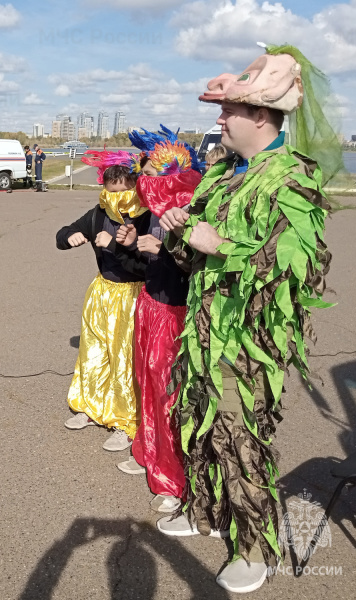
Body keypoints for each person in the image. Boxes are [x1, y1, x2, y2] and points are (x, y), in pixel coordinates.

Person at [156, 45, 339, 593]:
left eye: (227, 109)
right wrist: (180, 232)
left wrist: (220, 245)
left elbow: (291, 270)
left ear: (261, 115)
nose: (218, 118)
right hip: (204, 330)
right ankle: (206, 509)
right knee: (200, 422)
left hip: (249, 340)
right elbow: (194, 258)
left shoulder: (291, 180)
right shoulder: (221, 174)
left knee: (242, 438)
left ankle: (254, 548)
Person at [112, 140, 202, 516]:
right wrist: (135, 245)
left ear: (171, 176)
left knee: (169, 395)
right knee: (144, 383)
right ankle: (148, 452)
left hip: (174, 312)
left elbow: (197, 266)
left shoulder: (191, 210)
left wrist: (161, 251)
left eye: (149, 175)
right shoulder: (152, 211)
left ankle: (174, 479)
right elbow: (152, 261)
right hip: (149, 304)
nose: (142, 182)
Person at [57, 156, 150, 452]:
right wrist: (69, 236)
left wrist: (115, 245)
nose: (114, 198)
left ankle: (124, 423)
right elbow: (63, 233)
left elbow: (145, 267)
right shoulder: (98, 214)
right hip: (101, 291)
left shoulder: (146, 217)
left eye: (121, 191)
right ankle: (89, 406)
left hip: (132, 294)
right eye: (109, 191)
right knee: (93, 351)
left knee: (124, 358)